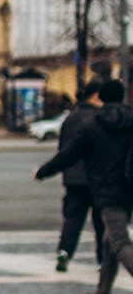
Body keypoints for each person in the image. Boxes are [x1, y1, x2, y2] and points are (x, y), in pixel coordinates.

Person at [36, 77, 132, 294]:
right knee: (110, 242)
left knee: (119, 241)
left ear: (101, 98)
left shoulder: (93, 126)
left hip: (109, 191)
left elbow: (68, 155)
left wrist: (42, 172)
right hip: (129, 189)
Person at [48, 79, 106, 272]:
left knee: (72, 219)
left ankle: (64, 251)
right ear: (96, 96)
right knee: (100, 223)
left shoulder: (71, 117)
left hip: (73, 178)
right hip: (96, 177)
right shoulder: (98, 118)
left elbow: (63, 149)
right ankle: (102, 259)